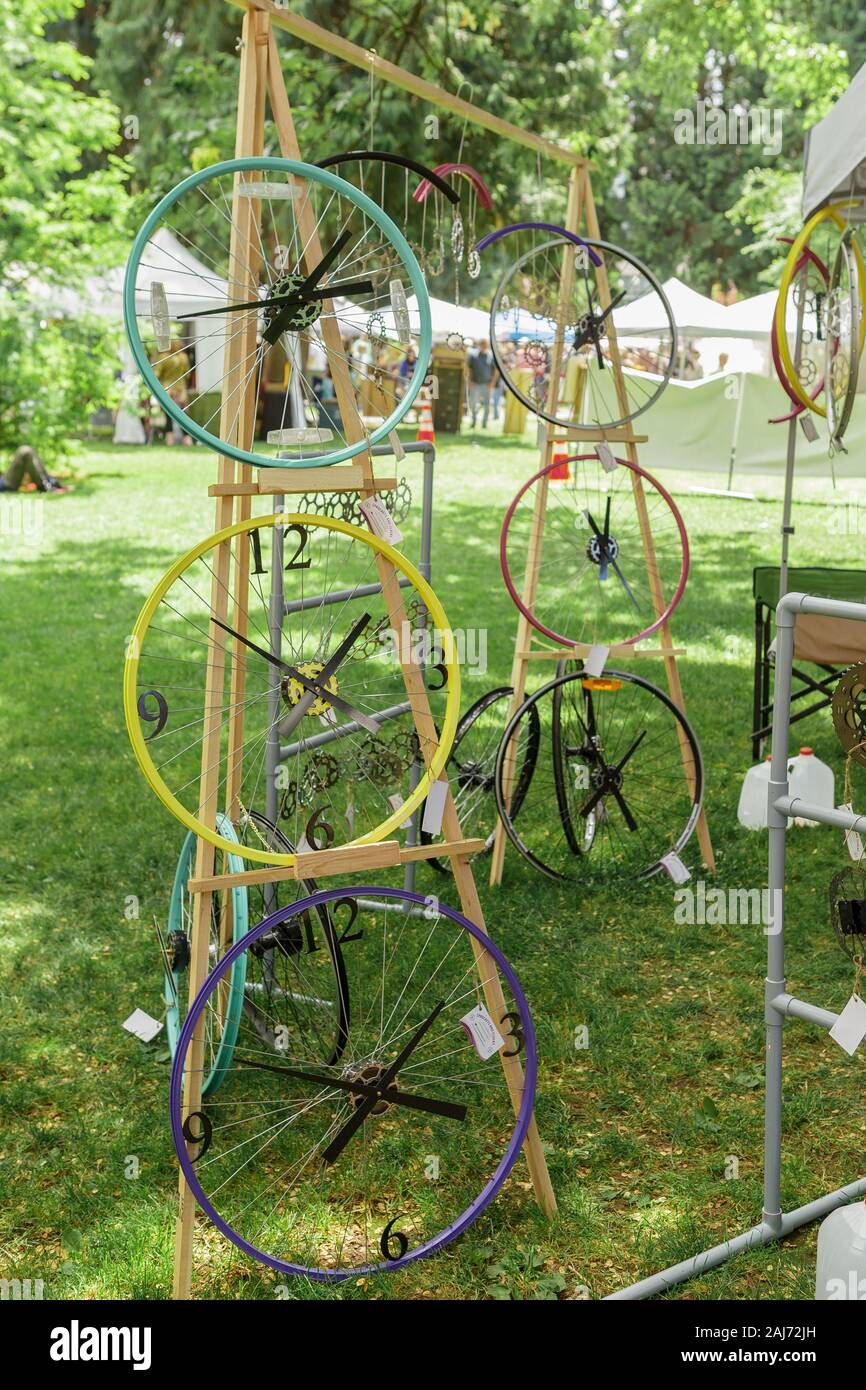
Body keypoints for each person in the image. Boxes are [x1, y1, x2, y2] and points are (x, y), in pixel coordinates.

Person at [152, 339, 193, 445]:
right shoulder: (184, 357)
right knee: (183, 414)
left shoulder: (163, 357)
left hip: (168, 388)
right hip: (181, 389)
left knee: (168, 414)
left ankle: (170, 439)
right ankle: (187, 439)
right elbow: (187, 374)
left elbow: (156, 375)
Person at [0, 446, 67, 494]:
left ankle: (49, 482)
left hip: (3, 480)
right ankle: (47, 483)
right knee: (25, 451)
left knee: (27, 450)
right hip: (5, 483)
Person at [466, 338, 495, 428]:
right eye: (482, 344)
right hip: (475, 383)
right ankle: (473, 421)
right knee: (473, 404)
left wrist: (492, 383)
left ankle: (484, 423)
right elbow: (469, 369)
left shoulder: (491, 356)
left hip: (487, 384)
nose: (484, 346)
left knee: (487, 405)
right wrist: (469, 381)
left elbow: (495, 371)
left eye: (485, 344)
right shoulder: (473, 355)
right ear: (480, 344)